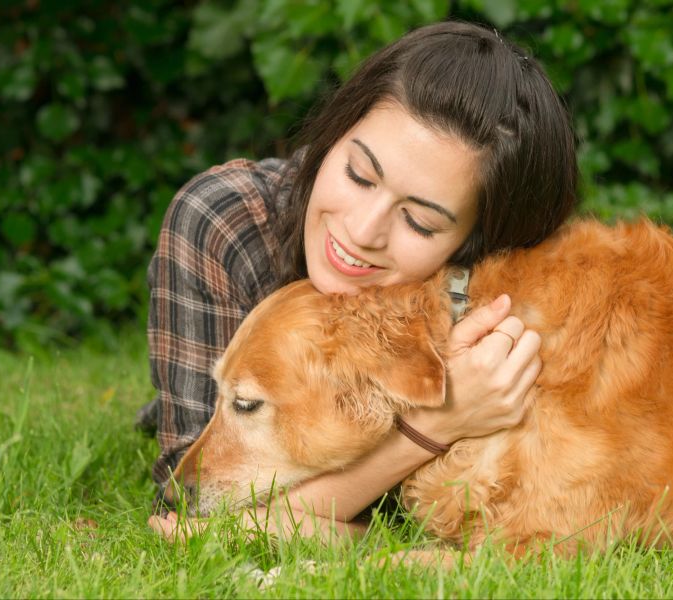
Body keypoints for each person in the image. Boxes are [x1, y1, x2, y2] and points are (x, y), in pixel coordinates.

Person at [137, 20, 578, 541]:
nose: (361, 231)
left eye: (420, 221)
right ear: (334, 133)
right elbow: (189, 513)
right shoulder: (223, 222)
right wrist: (438, 425)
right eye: (360, 174)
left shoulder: (494, 307)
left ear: (473, 248)